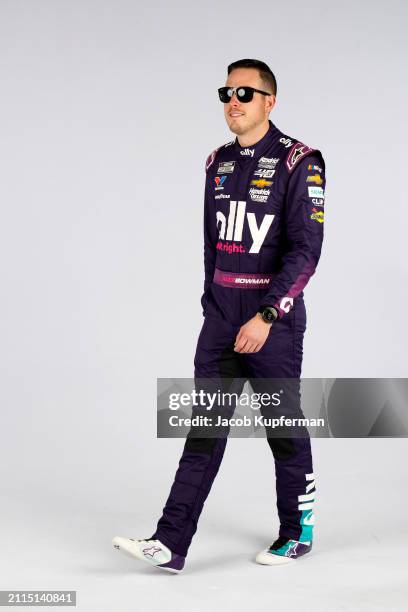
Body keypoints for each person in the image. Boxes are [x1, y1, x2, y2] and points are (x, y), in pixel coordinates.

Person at [112, 58, 326, 573]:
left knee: (282, 427)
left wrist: (268, 315)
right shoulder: (217, 162)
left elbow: (306, 249)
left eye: (245, 93)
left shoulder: (301, 161)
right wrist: (213, 308)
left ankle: (298, 533)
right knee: (204, 430)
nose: (233, 100)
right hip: (220, 321)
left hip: (270, 322)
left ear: (269, 101)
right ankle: (170, 542)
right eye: (226, 92)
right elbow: (212, 244)